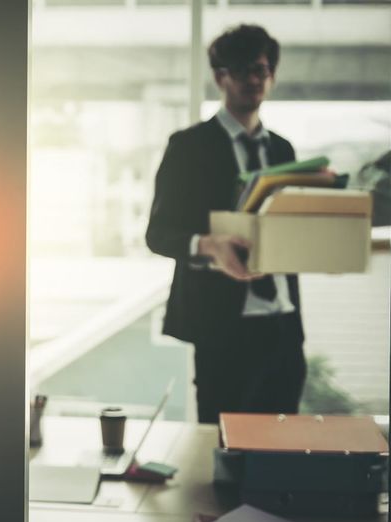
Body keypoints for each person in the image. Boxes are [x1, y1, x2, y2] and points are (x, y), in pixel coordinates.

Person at [145, 24, 306, 424]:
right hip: (222, 328)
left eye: (264, 70)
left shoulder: (283, 149)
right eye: (246, 70)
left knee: (282, 450)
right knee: (222, 449)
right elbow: (158, 234)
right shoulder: (189, 147)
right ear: (221, 77)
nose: (256, 80)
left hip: (284, 324)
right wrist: (208, 244)